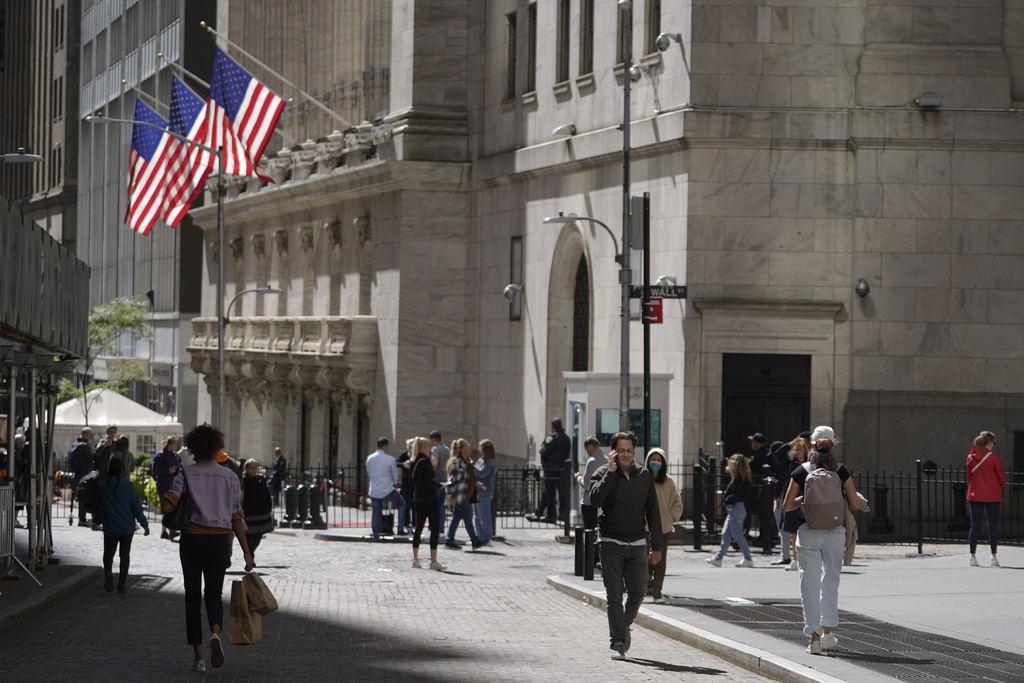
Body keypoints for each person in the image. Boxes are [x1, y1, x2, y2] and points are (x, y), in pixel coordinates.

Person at [161, 423, 254, 673]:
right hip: (219, 542)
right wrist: (246, 552)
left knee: (192, 598)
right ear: (216, 449)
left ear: (192, 449)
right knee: (213, 594)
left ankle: (199, 656)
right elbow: (237, 517)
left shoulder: (186, 474)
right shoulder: (230, 477)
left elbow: (168, 508)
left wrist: (167, 496)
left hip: (192, 540)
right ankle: (215, 633)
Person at [783, 425, 860, 655]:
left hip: (809, 532)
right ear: (832, 445)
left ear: (811, 445)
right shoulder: (841, 470)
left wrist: (805, 498)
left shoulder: (802, 470)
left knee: (809, 585)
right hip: (836, 533)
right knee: (830, 584)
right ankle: (827, 634)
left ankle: (814, 640)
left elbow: (787, 506)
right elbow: (855, 505)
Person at [589, 431, 662, 660]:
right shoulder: (603, 473)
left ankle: (624, 624)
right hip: (610, 542)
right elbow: (595, 500)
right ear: (613, 452)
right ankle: (618, 641)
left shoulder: (643, 476)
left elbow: (653, 511)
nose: (626, 455)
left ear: (634, 452)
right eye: (621, 451)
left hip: (638, 542)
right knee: (614, 595)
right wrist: (610, 474)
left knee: (639, 590)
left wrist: (656, 546)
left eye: (629, 451)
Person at [98, 458, 150, 593]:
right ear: (122, 470)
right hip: (127, 526)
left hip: (110, 524)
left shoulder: (103, 486)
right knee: (124, 555)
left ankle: (108, 572)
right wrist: (144, 524)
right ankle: (122, 584)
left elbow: (99, 504)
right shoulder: (129, 486)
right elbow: (137, 507)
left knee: (109, 552)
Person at [645, 447, 682, 604]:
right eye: (653, 459)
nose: (655, 463)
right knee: (645, 558)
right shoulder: (643, 479)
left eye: (659, 460)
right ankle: (647, 584)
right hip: (645, 527)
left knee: (660, 561)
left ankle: (657, 593)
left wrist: (672, 517)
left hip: (663, 527)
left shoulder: (668, 481)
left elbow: (677, 502)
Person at [706, 454, 754, 568]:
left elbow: (736, 496)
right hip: (734, 510)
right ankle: (718, 558)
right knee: (726, 535)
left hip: (735, 509)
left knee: (738, 536)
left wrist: (726, 500)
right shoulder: (740, 478)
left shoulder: (740, 480)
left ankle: (748, 558)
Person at [966, 430, 1006, 567]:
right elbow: (1002, 478)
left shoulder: (970, 457)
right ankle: (993, 557)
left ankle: (972, 557)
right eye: (993, 442)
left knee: (974, 526)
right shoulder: (994, 458)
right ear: (989, 443)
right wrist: (995, 485)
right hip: (993, 495)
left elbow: (969, 476)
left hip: (975, 494)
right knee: (992, 526)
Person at [410, 436, 446, 571]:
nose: (431, 450)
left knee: (418, 528)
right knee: (434, 529)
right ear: (425, 448)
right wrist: (439, 486)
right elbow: (429, 483)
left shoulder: (414, 462)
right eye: (429, 447)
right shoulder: (425, 462)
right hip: (429, 499)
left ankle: (416, 559)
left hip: (418, 498)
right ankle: (433, 560)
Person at [528, 417, 572, 524]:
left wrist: (541, 448)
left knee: (550, 492)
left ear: (552, 427)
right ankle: (562, 514)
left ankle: (551, 515)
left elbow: (545, 451)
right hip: (563, 469)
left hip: (551, 469)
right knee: (561, 493)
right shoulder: (566, 438)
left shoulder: (552, 437)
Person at [445, 438, 484, 550]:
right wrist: (450, 496)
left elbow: (467, 479)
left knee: (456, 517)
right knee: (468, 517)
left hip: (467, 494)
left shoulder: (469, 462)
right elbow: (451, 481)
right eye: (466, 445)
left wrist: (476, 484)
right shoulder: (456, 463)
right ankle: (474, 540)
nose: (469, 446)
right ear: (462, 449)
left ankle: (449, 540)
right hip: (460, 496)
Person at [574, 436, 607, 567]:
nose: (587, 451)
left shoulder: (592, 461)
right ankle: (599, 558)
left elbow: (587, 484)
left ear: (591, 446)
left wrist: (578, 478)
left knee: (589, 532)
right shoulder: (606, 460)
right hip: (602, 502)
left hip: (589, 502)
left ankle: (591, 560)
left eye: (587, 448)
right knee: (600, 532)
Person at [366, 436, 407, 541]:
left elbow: (369, 472)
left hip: (375, 488)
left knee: (376, 513)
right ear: (385, 446)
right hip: (388, 489)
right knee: (402, 504)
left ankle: (376, 536)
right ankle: (400, 528)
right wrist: (394, 483)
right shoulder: (390, 459)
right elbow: (395, 474)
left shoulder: (370, 458)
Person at [783, 436, 810, 571]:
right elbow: (778, 454)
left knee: (806, 530)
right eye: (795, 449)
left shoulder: (810, 463)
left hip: (807, 499)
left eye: (799, 449)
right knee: (794, 531)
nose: (797, 452)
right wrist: (790, 443)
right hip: (794, 499)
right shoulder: (791, 463)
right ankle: (795, 559)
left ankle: (806, 559)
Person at [242, 458, 275, 561]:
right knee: (248, 537)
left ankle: (250, 553)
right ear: (246, 469)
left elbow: (266, 494)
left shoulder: (261, 479)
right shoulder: (243, 481)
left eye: (255, 467)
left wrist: (269, 507)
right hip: (248, 514)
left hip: (261, 513)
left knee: (258, 535)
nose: (253, 470)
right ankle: (250, 555)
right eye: (251, 468)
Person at [767, 440, 793, 566]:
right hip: (784, 497)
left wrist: (771, 481)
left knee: (783, 529)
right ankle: (786, 555)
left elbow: (781, 482)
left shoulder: (784, 464)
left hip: (782, 498)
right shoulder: (787, 463)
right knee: (785, 529)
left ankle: (785, 555)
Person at [153, 437, 183, 539]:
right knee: (168, 507)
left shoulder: (176, 455)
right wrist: (168, 470)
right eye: (175, 443)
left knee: (171, 507)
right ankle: (170, 531)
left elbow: (180, 467)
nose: (177, 446)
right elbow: (155, 468)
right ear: (170, 444)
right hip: (163, 485)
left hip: (173, 485)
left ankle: (165, 531)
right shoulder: (160, 455)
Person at [473, 439, 497, 546]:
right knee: (477, 516)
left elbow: (482, 473)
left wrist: (470, 466)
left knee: (484, 516)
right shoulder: (480, 460)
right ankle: (480, 536)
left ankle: (487, 538)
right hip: (477, 491)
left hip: (485, 492)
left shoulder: (490, 462)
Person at [69, 427, 94, 527]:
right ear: (86, 435)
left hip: (77, 474)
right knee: (84, 497)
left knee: (81, 496)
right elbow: (91, 458)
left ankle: (82, 518)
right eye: (90, 435)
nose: (91, 437)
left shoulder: (75, 444)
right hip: (83, 474)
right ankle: (82, 519)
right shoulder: (83, 446)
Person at [429, 431, 449, 528]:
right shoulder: (447, 449)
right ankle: (440, 528)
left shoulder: (435, 449)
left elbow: (435, 463)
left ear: (432, 440)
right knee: (441, 506)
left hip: (436, 479)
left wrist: (431, 474)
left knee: (433, 505)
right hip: (445, 479)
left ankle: (433, 527)